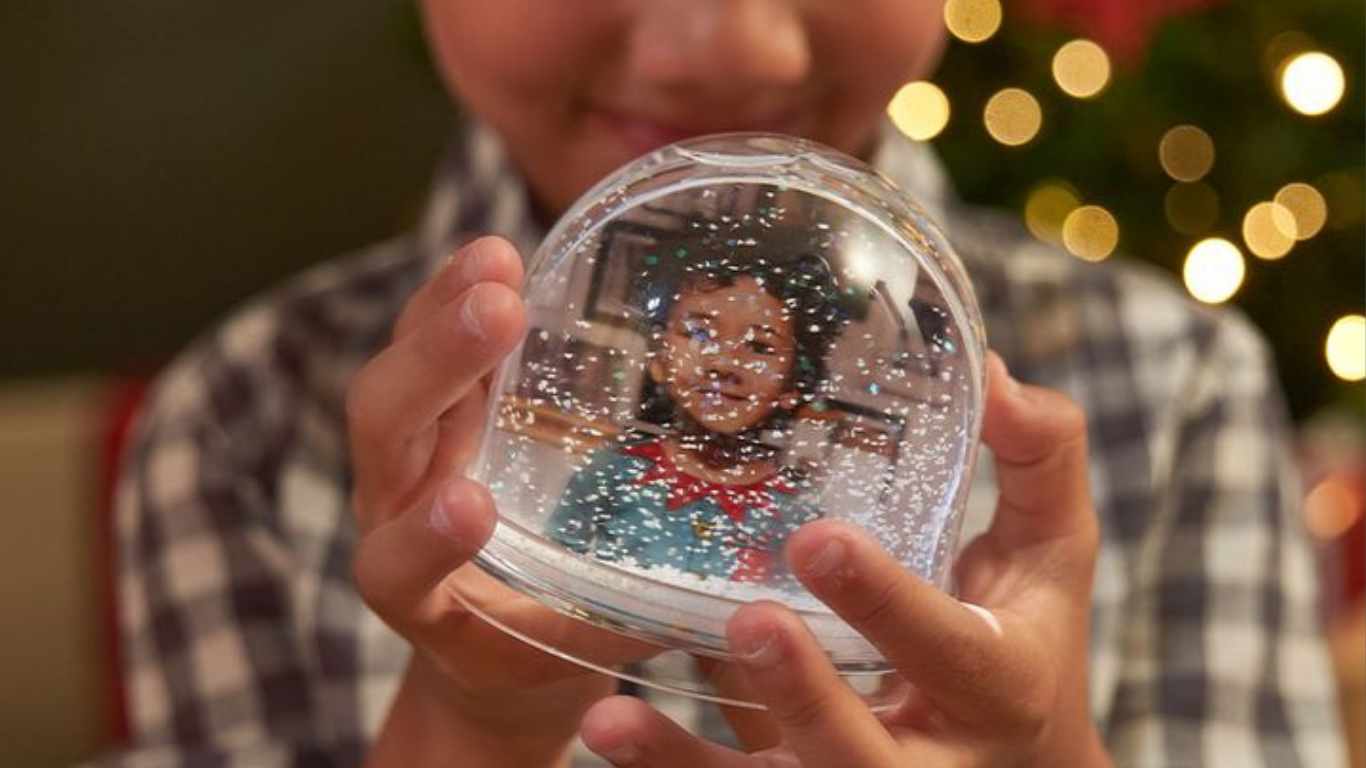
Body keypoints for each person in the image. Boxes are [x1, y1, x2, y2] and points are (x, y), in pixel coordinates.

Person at [91, 2, 1347, 767]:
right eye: (700, 339)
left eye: (759, 351)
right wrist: (478, 723)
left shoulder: (1176, 387)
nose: (726, 44)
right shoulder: (245, 420)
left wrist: (1044, 756)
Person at [546, 253, 843, 584]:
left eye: (760, 347)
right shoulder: (611, 472)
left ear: (793, 386)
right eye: (700, 334)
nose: (724, 363)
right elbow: (557, 570)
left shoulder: (796, 515)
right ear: (658, 358)